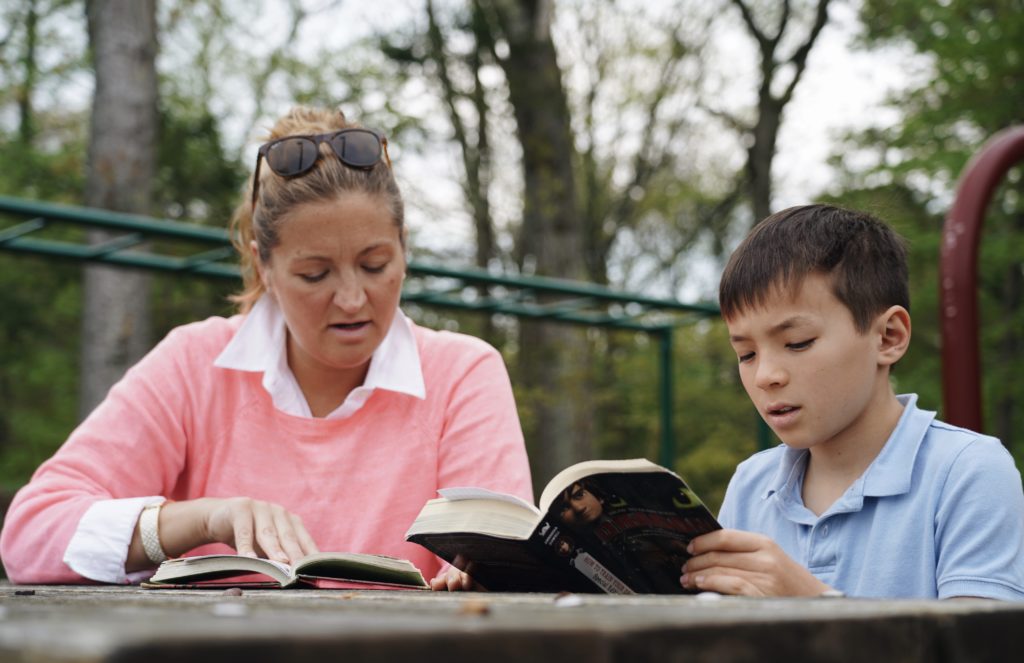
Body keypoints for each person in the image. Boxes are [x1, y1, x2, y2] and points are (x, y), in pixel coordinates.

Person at [0, 106, 532, 591]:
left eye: (375, 265)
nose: (351, 298)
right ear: (264, 267)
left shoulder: (464, 373)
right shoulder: (193, 363)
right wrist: (205, 519)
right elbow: (30, 535)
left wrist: (481, 577)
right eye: (314, 273)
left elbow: (504, 564)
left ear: (404, 250)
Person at [680, 204, 1024, 599]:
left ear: (888, 337)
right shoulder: (750, 483)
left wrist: (813, 607)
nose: (765, 376)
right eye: (746, 354)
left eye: (797, 343)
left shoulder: (967, 471)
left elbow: (981, 649)